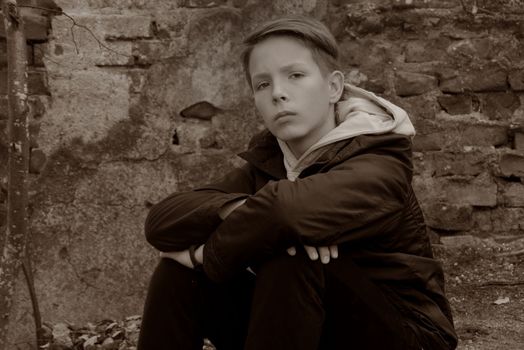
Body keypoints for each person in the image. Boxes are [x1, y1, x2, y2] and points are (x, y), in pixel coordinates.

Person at [137, 15, 458, 350]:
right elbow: (161, 221)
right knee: (177, 274)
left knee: (294, 255)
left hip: (407, 335)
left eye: (295, 76)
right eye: (262, 84)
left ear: (334, 87)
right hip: (306, 327)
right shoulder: (270, 163)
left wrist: (206, 255)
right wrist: (237, 208)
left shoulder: (380, 157)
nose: (278, 93)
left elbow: (283, 211)